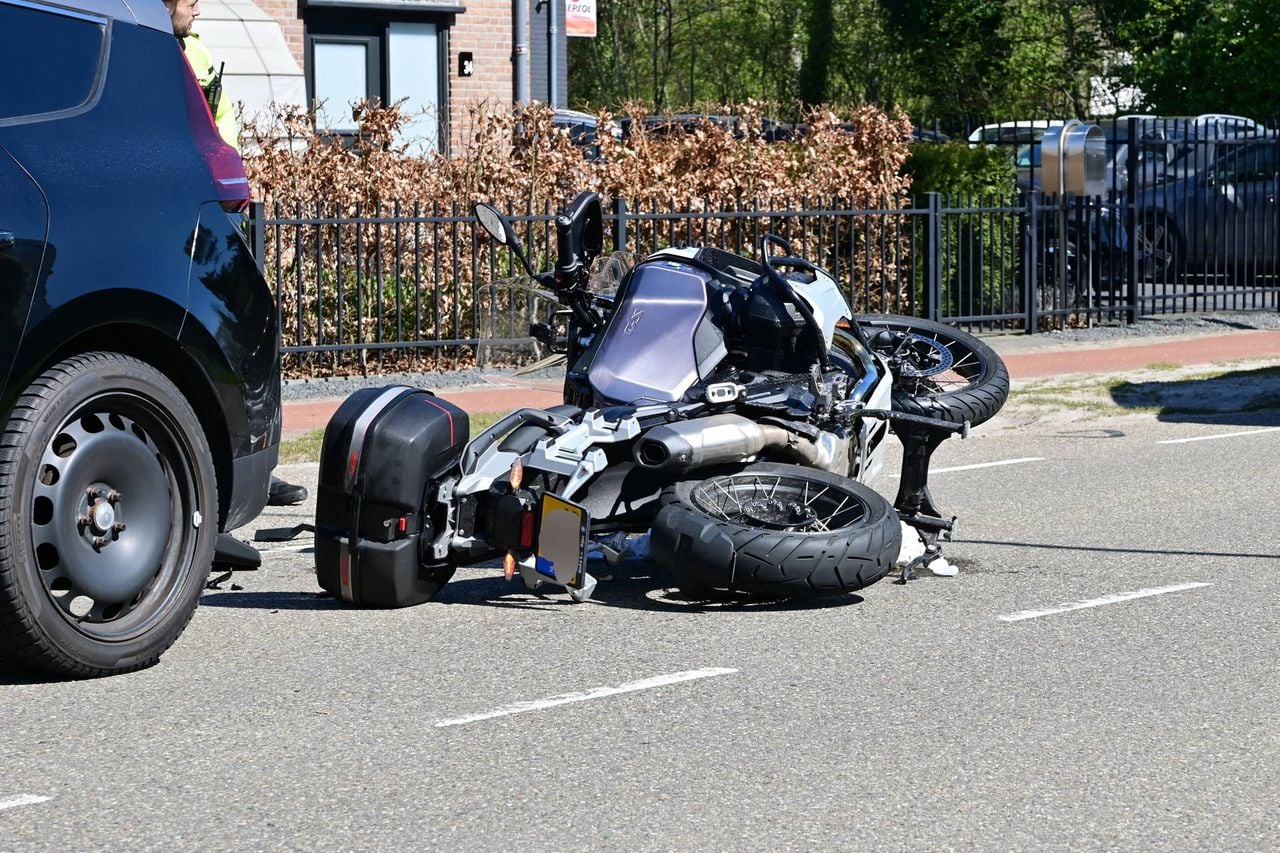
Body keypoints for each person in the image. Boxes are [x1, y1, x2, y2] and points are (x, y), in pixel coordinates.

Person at [166, 0, 308, 507]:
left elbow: (218, 124)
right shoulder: (148, 52)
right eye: (189, 0)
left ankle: (257, 469)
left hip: (220, 212)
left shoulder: (196, 49)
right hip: (177, 215)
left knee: (243, 342)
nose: (199, 6)